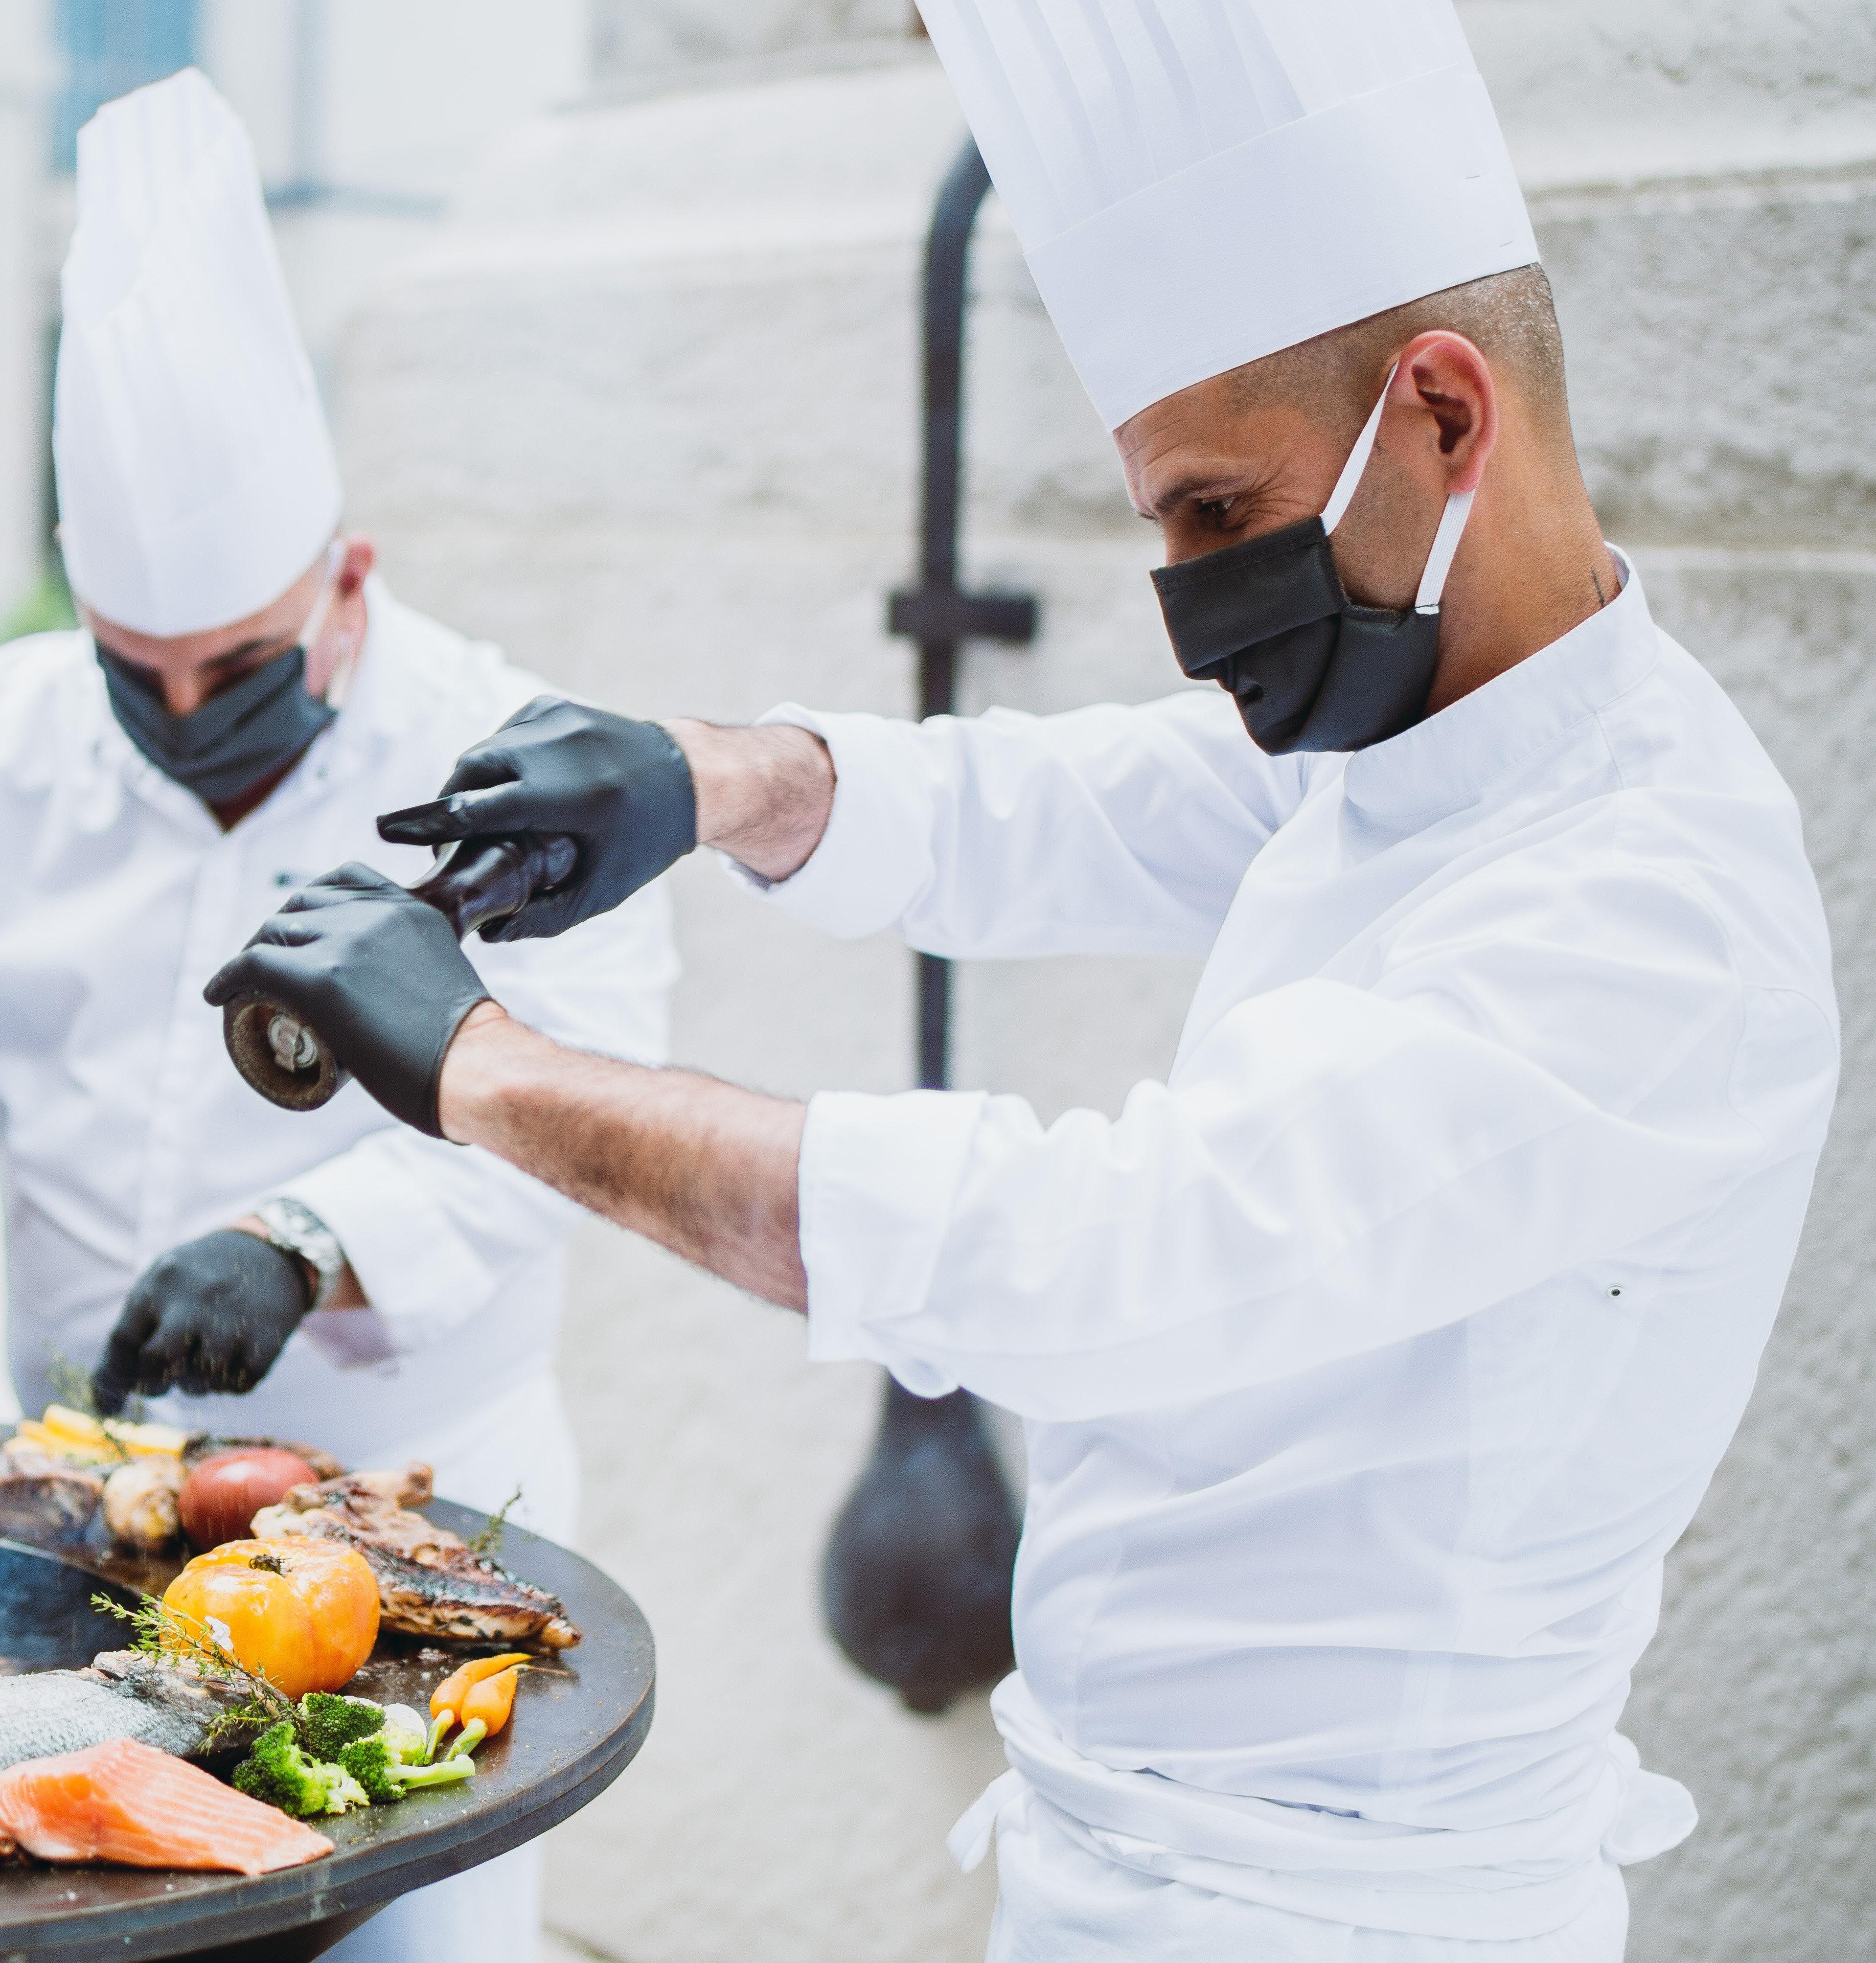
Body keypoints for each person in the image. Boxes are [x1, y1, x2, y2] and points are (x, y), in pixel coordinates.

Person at [204, 6, 1838, 1958]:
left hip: (1343, 1914)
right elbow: (1093, 796)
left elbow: (1107, 1258)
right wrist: (712, 778)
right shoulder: (1425, 735)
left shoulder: (1649, 907)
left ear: (1446, 416)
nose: (1190, 607)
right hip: (1119, 1857)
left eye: (1217, 514)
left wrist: (482, 1071)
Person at [0, 69, 669, 1963]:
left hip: (423, 1537)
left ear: (350, 578)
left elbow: (586, 1113)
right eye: (133, 667)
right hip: (72, 1528)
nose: (180, 710)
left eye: (235, 664)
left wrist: (305, 1239)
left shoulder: (512, 763)